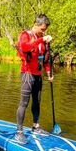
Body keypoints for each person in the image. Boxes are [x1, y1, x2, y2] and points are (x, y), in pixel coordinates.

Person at [15, 14, 53, 143]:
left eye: (45, 29)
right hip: (27, 74)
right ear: (36, 25)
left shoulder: (43, 39)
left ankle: (36, 126)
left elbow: (46, 58)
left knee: (37, 102)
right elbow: (25, 47)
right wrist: (41, 40)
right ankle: (19, 131)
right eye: (42, 29)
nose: (44, 32)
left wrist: (48, 73)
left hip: (38, 75)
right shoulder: (25, 35)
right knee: (24, 103)